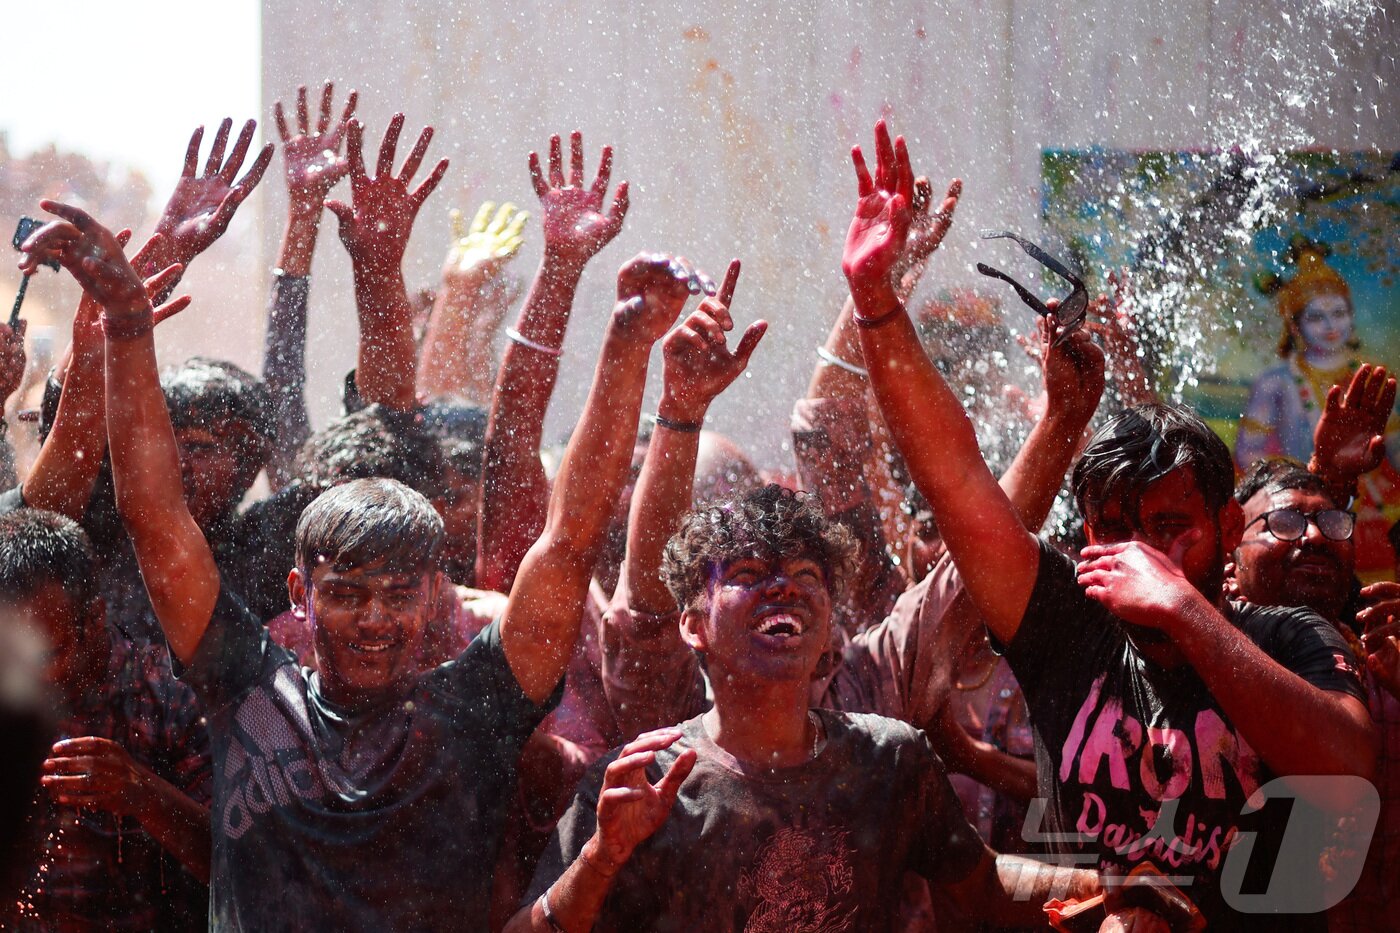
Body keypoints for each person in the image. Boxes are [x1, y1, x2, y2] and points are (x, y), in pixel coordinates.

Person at [20, 166, 706, 928]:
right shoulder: (247, 686)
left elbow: (569, 540)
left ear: (436, 594)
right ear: (297, 593)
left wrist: (625, 344)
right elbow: (155, 515)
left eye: (398, 592)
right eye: (345, 592)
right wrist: (127, 322)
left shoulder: (477, 706)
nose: (372, 618)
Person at [845, 119, 1376, 930]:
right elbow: (954, 478)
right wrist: (877, 305)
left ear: (1229, 526)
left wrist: (1185, 609)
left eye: (1172, 527)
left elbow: (1344, 764)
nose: (1143, 554)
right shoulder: (1066, 624)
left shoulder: (1294, 639)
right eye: (1115, 530)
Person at [511, 484, 1102, 932]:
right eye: (746, 574)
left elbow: (985, 883)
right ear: (692, 626)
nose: (783, 587)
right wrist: (601, 856)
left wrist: (1114, 888)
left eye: (804, 572)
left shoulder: (888, 760)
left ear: (829, 631)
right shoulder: (644, 783)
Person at [0, 508, 211, 932]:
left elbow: (240, 866)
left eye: (45, 656)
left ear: (94, 619)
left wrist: (142, 792)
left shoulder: (168, 698)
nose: (24, 676)